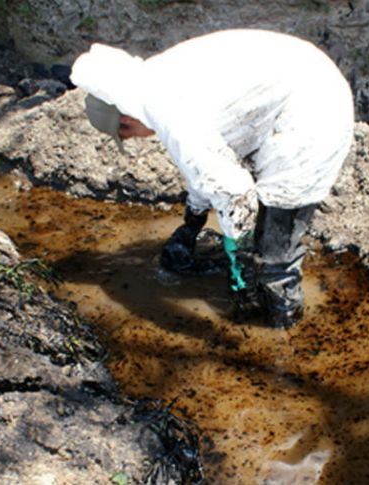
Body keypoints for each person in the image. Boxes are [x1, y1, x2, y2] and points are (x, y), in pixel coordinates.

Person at [70, 29, 354, 328]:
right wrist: (192, 221)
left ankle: (284, 333)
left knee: (274, 252)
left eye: (126, 137)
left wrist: (240, 264)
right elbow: (204, 165)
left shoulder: (165, 110)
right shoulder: (151, 83)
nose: (136, 141)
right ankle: (272, 300)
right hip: (297, 81)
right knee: (257, 227)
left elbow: (234, 192)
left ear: (125, 120)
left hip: (314, 113)